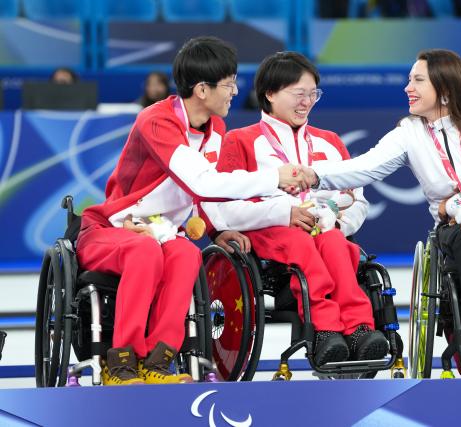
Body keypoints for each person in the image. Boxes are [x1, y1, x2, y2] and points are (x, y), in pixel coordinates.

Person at [76, 37, 309, 386]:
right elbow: (200, 182)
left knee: (186, 254)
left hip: (163, 233)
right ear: (202, 89)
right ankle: (121, 361)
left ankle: (158, 360)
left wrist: (216, 231)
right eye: (229, 84)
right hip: (112, 228)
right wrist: (274, 177)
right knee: (145, 250)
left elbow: (206, 192)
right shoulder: (156, 121)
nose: (234, 91)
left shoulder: (217, 129)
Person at [304, 49, 461, 375]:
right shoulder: (411, 131)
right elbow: (365, 167)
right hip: (457, 221)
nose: (408, 87)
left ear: (445, 90)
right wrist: (315, 175)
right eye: (409, 80)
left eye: (418, 80)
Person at [201, 52, 389, 365]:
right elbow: (221, 206)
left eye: (313, 94)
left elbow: (358, 199)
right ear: (270, 93)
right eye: (299, 94)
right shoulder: (239, 141)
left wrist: (339, 224)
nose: (307, 102)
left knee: (335, 243)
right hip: (268, 233)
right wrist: (283, 214)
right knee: (299, 241)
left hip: (323, 232)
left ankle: (359, 327)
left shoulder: (329, 142)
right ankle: (325, 329)